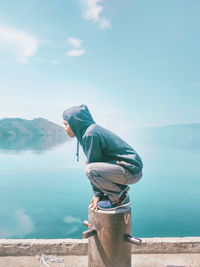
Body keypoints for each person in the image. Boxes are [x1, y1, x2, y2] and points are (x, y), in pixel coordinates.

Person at [63, 104, 143, 211]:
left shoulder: (90, 134)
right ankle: (119, 191)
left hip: (130, 172)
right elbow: (96, 161)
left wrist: (97, 195)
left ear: (75, 122)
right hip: (128, 169)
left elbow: (93, 164)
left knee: (90, 169)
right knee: (89, 165)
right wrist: (98, 194)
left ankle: (119, 198)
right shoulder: (91, 130)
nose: (65, 129)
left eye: (66, 124)